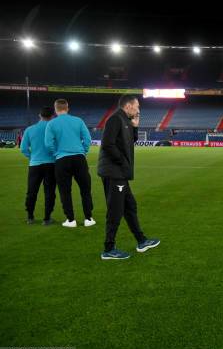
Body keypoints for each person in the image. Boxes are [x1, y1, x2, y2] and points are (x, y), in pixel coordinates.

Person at [97, 94, 160, 260]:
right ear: (128, 106)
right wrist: (123, 162)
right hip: (114, 172)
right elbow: (107, 144)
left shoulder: (125, 120)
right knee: (115, 210)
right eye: (137, 106)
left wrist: (135, 126)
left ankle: (141, 241)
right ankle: (108, 249)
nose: (138, 109)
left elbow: (130, 140)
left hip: (120, 173)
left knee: (130, 205)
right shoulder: (115, 119)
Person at [44, 99, 95, 228]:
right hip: (79, 158)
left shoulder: (51, 124)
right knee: (85, 189)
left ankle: (71, 220)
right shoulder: (78, 121)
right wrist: (83, 151)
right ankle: (88, 218)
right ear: (67, 108)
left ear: (55, 109)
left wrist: (56, 154)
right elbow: (87, 139)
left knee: (65, 191)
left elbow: (48, 144)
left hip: (62, 160)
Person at [20, 106, 57, 225]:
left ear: (39, 115)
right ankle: (47, 218)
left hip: (35, 165)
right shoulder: (55, 129)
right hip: (51, 164)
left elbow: (24, 148)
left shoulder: (30, 129)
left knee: (32, 191)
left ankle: (30, 217)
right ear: (53, 116)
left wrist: (32, 157)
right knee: (50, 191)